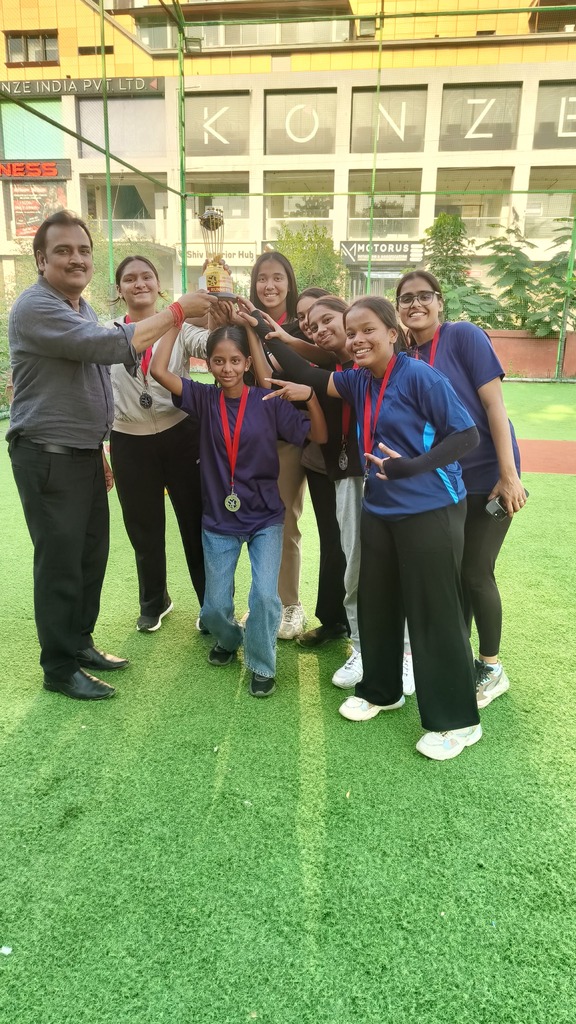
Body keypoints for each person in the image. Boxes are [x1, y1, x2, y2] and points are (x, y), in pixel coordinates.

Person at [7, 210, 216, 701]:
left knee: (89, 556)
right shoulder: (37, 307)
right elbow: (107, 347)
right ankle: (59, 667)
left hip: (81, 451)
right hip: (47, 453)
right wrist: (178, 311)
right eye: (63, 250)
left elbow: (95, 379)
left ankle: (79, 644)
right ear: (40, 260)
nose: (76, 259)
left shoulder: (77, 307)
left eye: (83, 250)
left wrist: (98, 447)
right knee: (60, 563)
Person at [286, 294, 482, 761]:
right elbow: (307, 375)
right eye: (352, 332)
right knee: (377, 603)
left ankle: (458, 720)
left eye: (368, 330)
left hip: (431, 506)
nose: (357, 339)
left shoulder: (420, 376)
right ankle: (381, 689)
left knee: (434, 612)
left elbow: (466, 434)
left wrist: (413, 466)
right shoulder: (359, 381)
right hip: (380, 507)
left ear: (393, 334)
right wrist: (258, 326)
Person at [150, 322, 327, 697]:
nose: (227, 368)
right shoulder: (204, 399)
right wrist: (175, 319)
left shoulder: (268, 402)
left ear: (247, 362)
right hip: (219, 519)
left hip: (265, 518)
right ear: (208, 364)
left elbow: (320, 435)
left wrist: (311, 396)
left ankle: (262, 664)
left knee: (264, 597)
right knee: (214, 607)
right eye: (218, 361)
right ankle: (230, 639)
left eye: (234, 360)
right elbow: (159, 371)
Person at [395, 271, 525, 708]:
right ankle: (461, 660)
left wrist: (508, 475)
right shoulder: (405, 354)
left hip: (488, 476)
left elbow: (494, 405)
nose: (416, 304)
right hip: (445, 483)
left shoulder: (463, 336)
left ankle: (492, 667)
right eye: (406, 298)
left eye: (424, 296)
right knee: (452, 576)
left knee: (475, 572)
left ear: (439, 302)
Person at [247, 295, 366, 689]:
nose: (318, 330)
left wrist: (262, 328)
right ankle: (347, 630)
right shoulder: (341, 362)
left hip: (371, 470)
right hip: (339, 465)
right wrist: (280, 336)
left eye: (326, 320)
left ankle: (374, 645)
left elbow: (304, 368)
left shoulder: (362, 361)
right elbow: (312, 357)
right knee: (342, 548)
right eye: (311, 325)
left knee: (364, 556)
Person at [109, 255, 214, 633]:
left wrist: (217, 309)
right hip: (129, 439)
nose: (139, 284)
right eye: (130, 279)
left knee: (196, 522)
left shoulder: (179, 327)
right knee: (143, 527)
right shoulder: (108, 333)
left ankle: (212, 605)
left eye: (146, 276)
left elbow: (211, 344)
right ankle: (155, 602)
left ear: (158, 285)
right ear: (119, 289)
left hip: (182, 434)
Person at [249, 252, 307, 639]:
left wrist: (256, 330)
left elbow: (271, 380)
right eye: (262, 278)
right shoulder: (244, 324)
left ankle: (290, 604)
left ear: (289, 282)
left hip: (293, 438)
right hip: (254, 438)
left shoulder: (302, 327)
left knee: (286, 522)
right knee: (255, 522)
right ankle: (264, 601)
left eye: (277, 277)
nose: (269, 285)